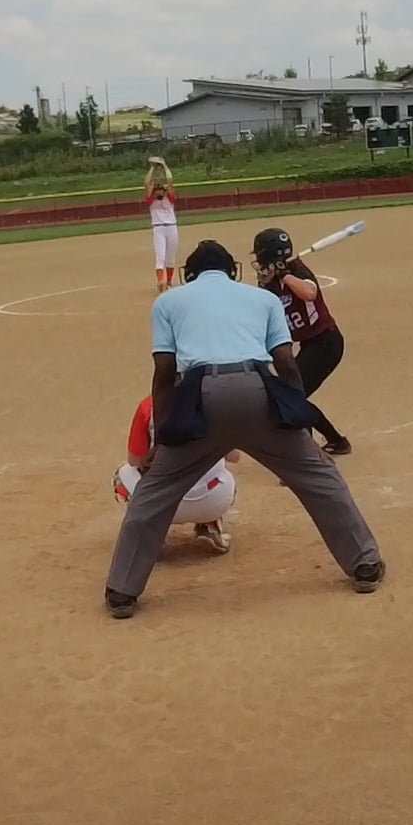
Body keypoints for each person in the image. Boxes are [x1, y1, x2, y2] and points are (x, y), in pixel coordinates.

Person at [105, 240, 385, 619]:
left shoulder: (168, 302)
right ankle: (364, 564)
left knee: (155, 492)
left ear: (190, 274)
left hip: (199, 398)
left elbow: (165, 373)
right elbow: (286, 364)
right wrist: (298, 426)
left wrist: (166, 436)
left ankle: (121, 590)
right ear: (232, 271)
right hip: (257, 391)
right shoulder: (263, 298)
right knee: (319, 477)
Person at [252, 228, 353, 456]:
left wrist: (284, 275)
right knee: (290, 395)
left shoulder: (297, 269)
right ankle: (335, 442)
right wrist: (267, 283)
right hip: (310, 345)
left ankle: (313, 451)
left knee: (293, 396)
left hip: (326, 342)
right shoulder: (270, 281)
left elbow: (309, 293)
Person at [113, 395, 239, 555]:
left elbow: (134, 460)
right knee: (224, 473)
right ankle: (210, 524)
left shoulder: (149, 405)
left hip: (159, 504)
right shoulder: (213, 403)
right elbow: (234, 456)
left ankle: (151, 534)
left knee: (121, 475)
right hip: (213, 500)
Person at [145, 158, 178, 293]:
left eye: (162, 190)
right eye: (157, 190)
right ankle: (161, 282)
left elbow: (170, 181)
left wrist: (165, 166)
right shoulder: (151, 201)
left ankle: (169, 282)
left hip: (172, 227)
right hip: (158, 228)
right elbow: (147, 183)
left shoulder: (169, 199)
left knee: (170, 258)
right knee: (160, 257)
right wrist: (152, 168)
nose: (160, 192)